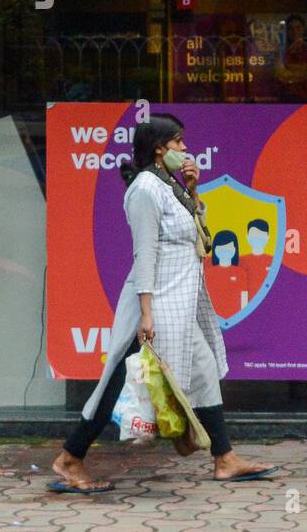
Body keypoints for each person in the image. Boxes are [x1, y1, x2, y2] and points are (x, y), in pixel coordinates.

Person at [51, 113, 276, 492]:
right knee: (121, 379)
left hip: (182, 301)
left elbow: (198, 236)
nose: (186, 149)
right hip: (156, 301)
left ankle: (224, 458)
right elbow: (145, 254)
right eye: (179, 143)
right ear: (159, 149)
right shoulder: (144, 190)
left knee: (203, 371)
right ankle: (70, 458)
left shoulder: (170, 184)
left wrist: (194, 190)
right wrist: (145, 313)